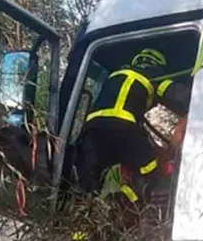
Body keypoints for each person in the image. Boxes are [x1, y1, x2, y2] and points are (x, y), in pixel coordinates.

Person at [74, 48, 185, 205]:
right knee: (150, 167)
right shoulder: (154, 74)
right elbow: (179, 96)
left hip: (92, 129)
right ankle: (133, 203)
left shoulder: (116, 74)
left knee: (91, 177)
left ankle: (94, 208)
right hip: (123, 126)